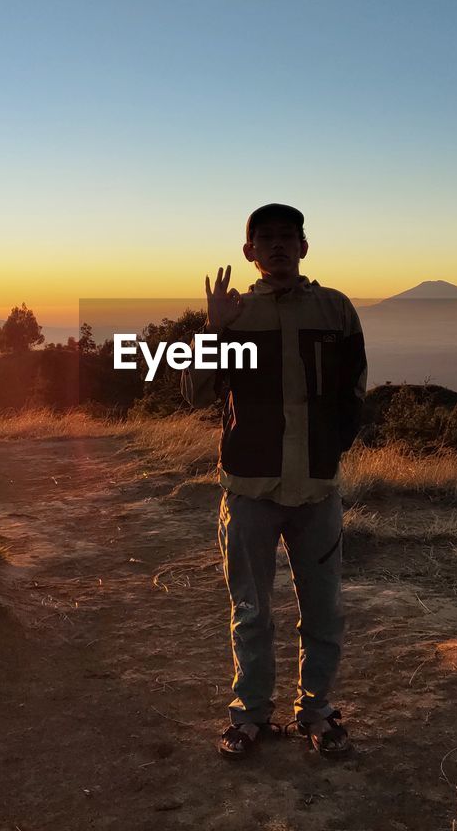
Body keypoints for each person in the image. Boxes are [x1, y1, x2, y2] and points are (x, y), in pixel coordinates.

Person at [180, 203, 367, 760]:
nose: (279, 246)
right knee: (252, 609)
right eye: (267, 239)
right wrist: (213, 328)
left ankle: (317, 712)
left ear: (304, 247)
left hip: (316, 489)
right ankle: (250, 715)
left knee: (324, 610)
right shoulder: (234, 316)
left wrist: (332, 448)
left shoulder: (335, 309)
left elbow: (354, 389)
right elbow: (194, 393)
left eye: (289, 237)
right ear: (250, 252)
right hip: (249, 488)